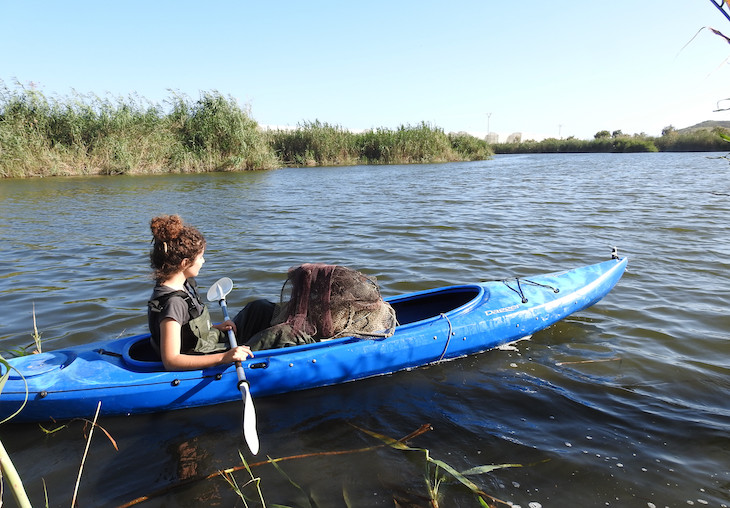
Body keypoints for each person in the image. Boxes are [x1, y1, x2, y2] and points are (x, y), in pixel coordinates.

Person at [147, 214, 257, 371]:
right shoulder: (173, 303)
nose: (203, 261)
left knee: (257, 309)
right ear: (185, 263)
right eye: (200, 257)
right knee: (271, 339)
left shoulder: (181, 284)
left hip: (206, 342)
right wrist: (224, 357)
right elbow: (171, 360)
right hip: (201, 354)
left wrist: (216, 327)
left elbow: (187, 330)